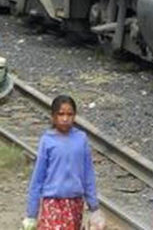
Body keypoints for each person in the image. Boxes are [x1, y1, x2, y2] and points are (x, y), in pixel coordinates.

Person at [23, 95, 105, 230]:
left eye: (69, 114)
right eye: (61, 114)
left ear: (75, 116)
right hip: (53, 203)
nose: (65, 119)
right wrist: (32, 213)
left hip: (75, 204)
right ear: (53, 116)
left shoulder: (81, 139)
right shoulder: (47, 141)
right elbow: (38, 178)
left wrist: (94, 207)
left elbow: (88, 175)